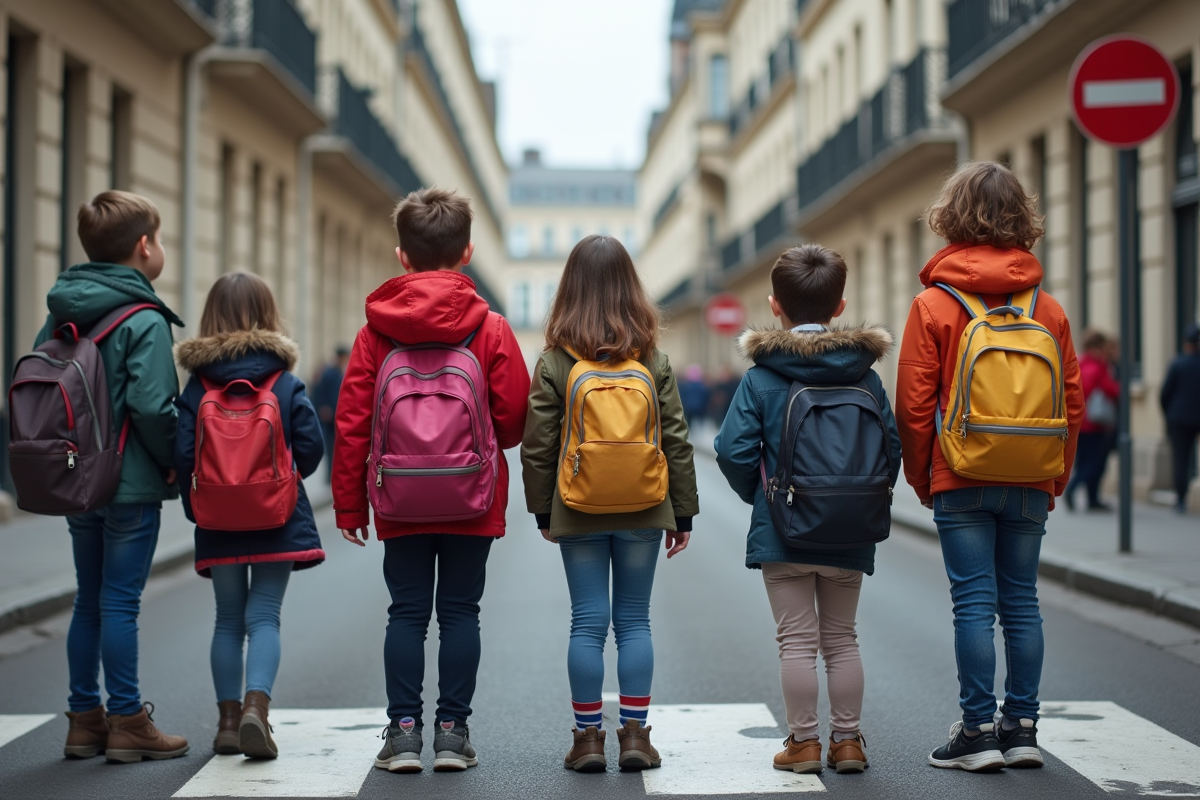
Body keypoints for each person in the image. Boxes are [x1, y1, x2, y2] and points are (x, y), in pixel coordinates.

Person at [333, 188, 530, 773]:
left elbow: (351, 423)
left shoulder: (375, 333)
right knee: (461, 613)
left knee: (406, 613)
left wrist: (349, 507)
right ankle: (451, 733)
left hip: (398, 495)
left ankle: (402, 735)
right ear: (467, 251)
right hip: (471, 493)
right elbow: (516, 417)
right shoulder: (490, 328)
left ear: (402, 256)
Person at [896, 162, 1083, 772]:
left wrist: (924, 477)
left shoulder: (934, 304)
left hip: (961, 473)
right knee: (1022, 601)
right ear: (1022, 218)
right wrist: (1055, 474)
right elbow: (1072, 401)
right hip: (1031, 472)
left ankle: (977, 732)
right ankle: (1023, 726)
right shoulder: (1046, 307)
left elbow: (914, 403)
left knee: (972, 604)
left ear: (951, 216)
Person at [714, 244, 901, 775]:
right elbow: (892, 447)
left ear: (775, 306)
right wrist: (860, 494)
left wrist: (765, 493)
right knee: (841, 637)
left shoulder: (761, 377)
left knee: (795, 639)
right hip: (850, 528)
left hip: (784, 530)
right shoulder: (864, 376)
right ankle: (848, 742)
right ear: (840, 307)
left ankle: (804, 743)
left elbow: (731, 451)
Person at [521, 235, 699, 774]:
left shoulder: (554, 361)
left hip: (577, 507)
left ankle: (589, 738)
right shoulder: (653, 359)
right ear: (631, 290)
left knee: (587, 623)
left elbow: (538, 445)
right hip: (645, 506)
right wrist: (683, 511)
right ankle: (638, 736)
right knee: (634, 621)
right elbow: (675, 437)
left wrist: (543, 510)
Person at [33, 191, 188, 762]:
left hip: (76, 478)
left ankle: (83, 720)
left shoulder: (63, 309)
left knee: (88, 600)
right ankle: (128, 720)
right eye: (161, 238)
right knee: (122, 601)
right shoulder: (142, 317)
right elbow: (152, 406)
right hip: (128, 481)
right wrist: (176, 456)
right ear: (145, 247)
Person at [174, 273, 326, 759]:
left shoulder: (197, 385)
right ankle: (257, 711)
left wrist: (197, 504)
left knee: (226, 621)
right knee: (265, 617)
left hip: (217, 518)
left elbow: (181, 454)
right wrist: (282, 478)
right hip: (276, 516)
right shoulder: (283, 380)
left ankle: (226, 720)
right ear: (268, 316)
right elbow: (311, 446)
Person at [1064, 330, 1120, 512]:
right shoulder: (1097, 367)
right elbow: (1111, 390)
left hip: (1081, 423)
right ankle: (1073, 489)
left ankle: (1093, 499)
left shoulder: (1079, 363)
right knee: (1094, 463)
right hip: (1093, 424)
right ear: (1097, 349)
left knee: (1086, 461)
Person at [1161, 324, 1200, 513]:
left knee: (1181, 459)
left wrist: (1169, 415)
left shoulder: (1177, 364)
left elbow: (1165, 394)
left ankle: (1181, 499)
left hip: (1179, 419)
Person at [311, 346, 350, 484]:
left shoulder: (339, 372)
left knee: (336, 448)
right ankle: (330, 477)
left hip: (338, 415)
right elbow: (319, 393)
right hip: (330, 417)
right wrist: (323, 408)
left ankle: (335, 476)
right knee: (330, 447)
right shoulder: (329, 373)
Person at [677, 363, 710, 429]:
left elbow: (683, 396)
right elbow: (705, 396)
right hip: (700, 407)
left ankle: (690, 430)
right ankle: (700, 430)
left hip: (689, 407)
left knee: (689, 421)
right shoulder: (702, 386)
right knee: (700, 421)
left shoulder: (686, 386)